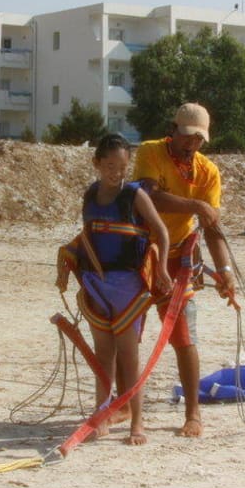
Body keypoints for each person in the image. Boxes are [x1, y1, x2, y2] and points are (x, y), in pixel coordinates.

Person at [56, 134, 172, 445]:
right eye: (109, 166)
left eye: (122, 167)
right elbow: (88, 236)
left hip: (128, 288)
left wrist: (160, 269)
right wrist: (69, 259)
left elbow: (160, 231)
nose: (116, 173)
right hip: (97, 285)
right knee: (103, 355)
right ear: (97, 164)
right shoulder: (90, 195)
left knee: (129, 356)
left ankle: (137, 421)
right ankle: (102, 414)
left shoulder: (135, 195)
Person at [132, 102, 236, 438]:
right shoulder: (150, 152)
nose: (192, 144)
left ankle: (193, 413)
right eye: (188, 136)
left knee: (184, 336)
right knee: (128, 334)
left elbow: (212, 226)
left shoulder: (208, 173)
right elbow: (148, 197)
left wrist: (224, 269)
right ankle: (124, 405)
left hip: (179, 257)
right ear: (173, 130)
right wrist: (195, 205)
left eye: (199, 139)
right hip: (140, 253)